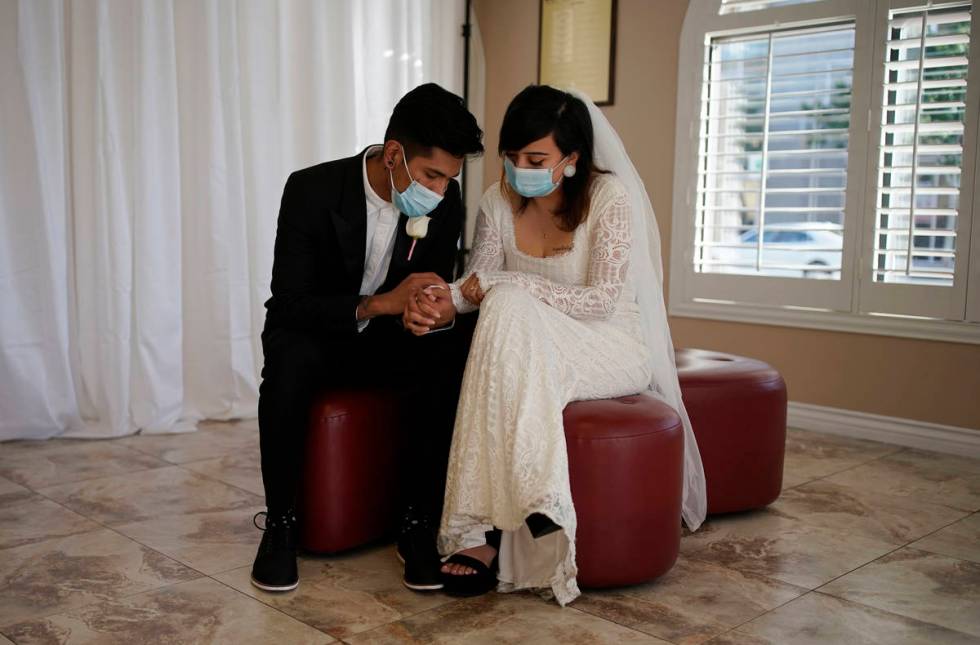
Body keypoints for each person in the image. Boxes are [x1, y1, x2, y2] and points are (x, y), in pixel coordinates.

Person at [405, 85, 707, 606]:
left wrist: (507, 285)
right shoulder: (498, 200)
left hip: (609, 343)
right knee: (504, 309)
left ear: (570, 158)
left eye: (536, 157)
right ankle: (537, 505)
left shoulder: (610, 199)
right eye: (513, 156)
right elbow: (479, 285)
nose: (520, 167)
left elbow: (601, 302)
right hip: (526, 338)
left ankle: (476, 533)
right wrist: (436, 302)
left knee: (508, 305)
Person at [252, 83, 483, 594]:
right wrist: (378, 304)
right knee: (287, 358)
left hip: (388, 342)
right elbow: (288, 303)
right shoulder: (310, 190)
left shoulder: (446, 200)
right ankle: (281, 526)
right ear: (394, 155)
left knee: (453, 345)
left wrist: (428, 313)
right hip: (320, 334)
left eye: (449, 179)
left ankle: (418, 523)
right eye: (431, 176)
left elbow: (431, 282)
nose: (440, 192)